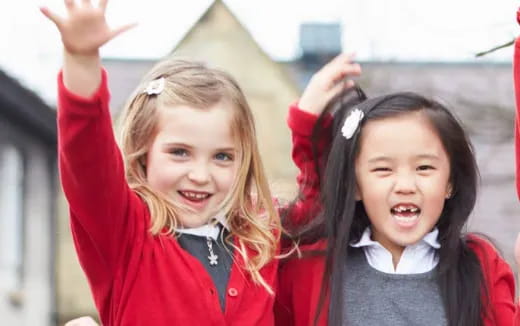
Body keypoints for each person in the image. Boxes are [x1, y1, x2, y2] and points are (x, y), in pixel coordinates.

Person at [40, 0, 361, 324]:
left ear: (244, 161)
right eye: (179, 152)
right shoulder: (126, 234)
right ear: (142, 152)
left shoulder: (260, 235)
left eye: (222, 157)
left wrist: (308, 124)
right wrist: (81, 61)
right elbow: (87, 160)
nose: (200, 175)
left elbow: (320, 206)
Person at [276, 81, 518, 325]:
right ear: (355, 186)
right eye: (383, 169)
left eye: (424, 168)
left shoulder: (479, 265)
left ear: (450, 183)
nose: (405, 185)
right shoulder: (311, 267)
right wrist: (307, 130)